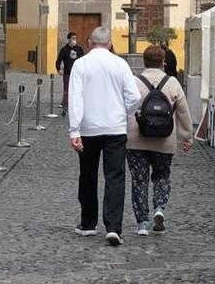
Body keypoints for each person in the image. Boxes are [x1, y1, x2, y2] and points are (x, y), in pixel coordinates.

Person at [67, 25, 139, 246]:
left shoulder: (81, 64)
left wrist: (74, 129)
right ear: (110, 43)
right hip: (115, 128)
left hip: (88, 128)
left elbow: (75, 98)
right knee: (115, 177)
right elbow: (134, 96)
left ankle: (88, 223)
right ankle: (113, 226)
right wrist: (124, 112)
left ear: (89, 43)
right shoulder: (120, 64)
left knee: (88, 174)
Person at [126, 45, 195, 236]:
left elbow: (125, 108)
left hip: (136, 139)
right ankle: (159, 208)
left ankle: (142, 223)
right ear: (163, 62)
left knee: (139, 181)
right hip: (165, 141)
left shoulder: (134, 82)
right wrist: (187, 136)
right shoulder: (172, 83)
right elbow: (183, 112)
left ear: (144, 61)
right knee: (162, 176)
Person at [55, 31, 84, 110]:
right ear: (68, 40)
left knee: (77, 90)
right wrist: (59, 69)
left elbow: (83, 60)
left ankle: (76, 105)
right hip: (67, 73)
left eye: (75, 38)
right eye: (73, 38)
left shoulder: (79, 49)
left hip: (77, 74)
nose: (75, 40)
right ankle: (65, 106)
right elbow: (58, 61)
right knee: (66, 91)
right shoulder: (64, 50)